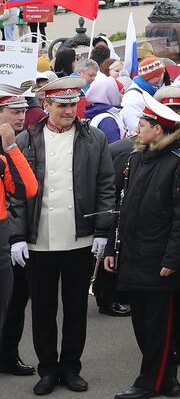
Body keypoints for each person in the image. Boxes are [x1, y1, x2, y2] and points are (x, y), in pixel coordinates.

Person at [10, 75, 116, 395]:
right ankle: (47, 369)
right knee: (42, 309)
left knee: (75, 308)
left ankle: (71, 367)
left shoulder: (94, 137)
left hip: (79, 238)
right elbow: (16, 192)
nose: (70, 111)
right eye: (62, 105)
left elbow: (106, 186)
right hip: (38, 239)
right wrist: (16, 236)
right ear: (46, 105)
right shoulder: (26, 139)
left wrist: (102, 230)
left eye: (73, 104)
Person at [104, 94, 180, 399]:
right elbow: (123, 208)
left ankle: (149, 382)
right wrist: (111, 250)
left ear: (158, 129)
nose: (136, 129)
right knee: (142, 324)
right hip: (133, 254)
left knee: (158, 326)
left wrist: (172, 258)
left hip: (159, 258)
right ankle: (167, 378)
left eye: (142, 124)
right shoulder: (135, 158)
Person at [0, 92, 39, 378]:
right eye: (14, 111)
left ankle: (7, 355)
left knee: (12, 303)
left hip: (7, 235)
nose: (21, 116)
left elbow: (27, 189)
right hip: (8, 233)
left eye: (23, 110)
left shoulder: (9, 147)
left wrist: (11, 147)